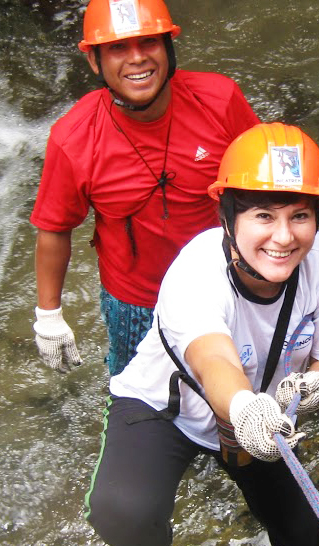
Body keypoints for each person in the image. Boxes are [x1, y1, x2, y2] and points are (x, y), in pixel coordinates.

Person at [83, 123, 319, 546]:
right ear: (228, 217)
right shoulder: (195, 270)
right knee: (121, 509)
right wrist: (243, 408)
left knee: (313, 539)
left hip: (266, 417)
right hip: (168, 407)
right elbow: (211, 357)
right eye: (263, 216)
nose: (283, 237)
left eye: (300, 215)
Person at [30, 0, 260, 376]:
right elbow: (55, 228)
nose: (137, 59)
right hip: (135, 299)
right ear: (95, 61)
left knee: (235, 384)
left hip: (226, 280)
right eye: (118, 47)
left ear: (168, 49)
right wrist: (48, 316)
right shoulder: (73, 138)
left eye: (149, 43)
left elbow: (267, 186)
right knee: (136, 395)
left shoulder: (218, 101)